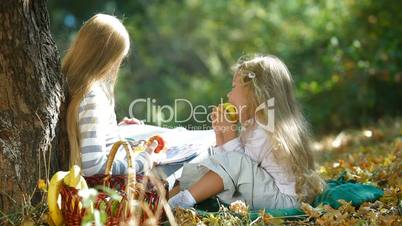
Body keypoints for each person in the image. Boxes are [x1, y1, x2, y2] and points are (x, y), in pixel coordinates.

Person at [168, 55, 326, 209]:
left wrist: (229, 134)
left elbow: (237, 166)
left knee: (234, 162)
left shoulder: (266, 130)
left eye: (234, 87)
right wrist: (220, 133)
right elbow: (224, 167)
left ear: (255, 92)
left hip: (282, 200)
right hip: (266, 192)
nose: (229, 94)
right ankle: (164, 198)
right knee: (205, 169)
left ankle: (181, 201)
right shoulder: (255, 126)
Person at [63, 14, 154, 176]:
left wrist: (112, 130)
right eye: (118, 59)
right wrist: (143, 162)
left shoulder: (70, 81)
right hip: (105, 190)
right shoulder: (92, 97)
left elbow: (84, 134)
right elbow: (92, 166)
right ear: (107, 59)